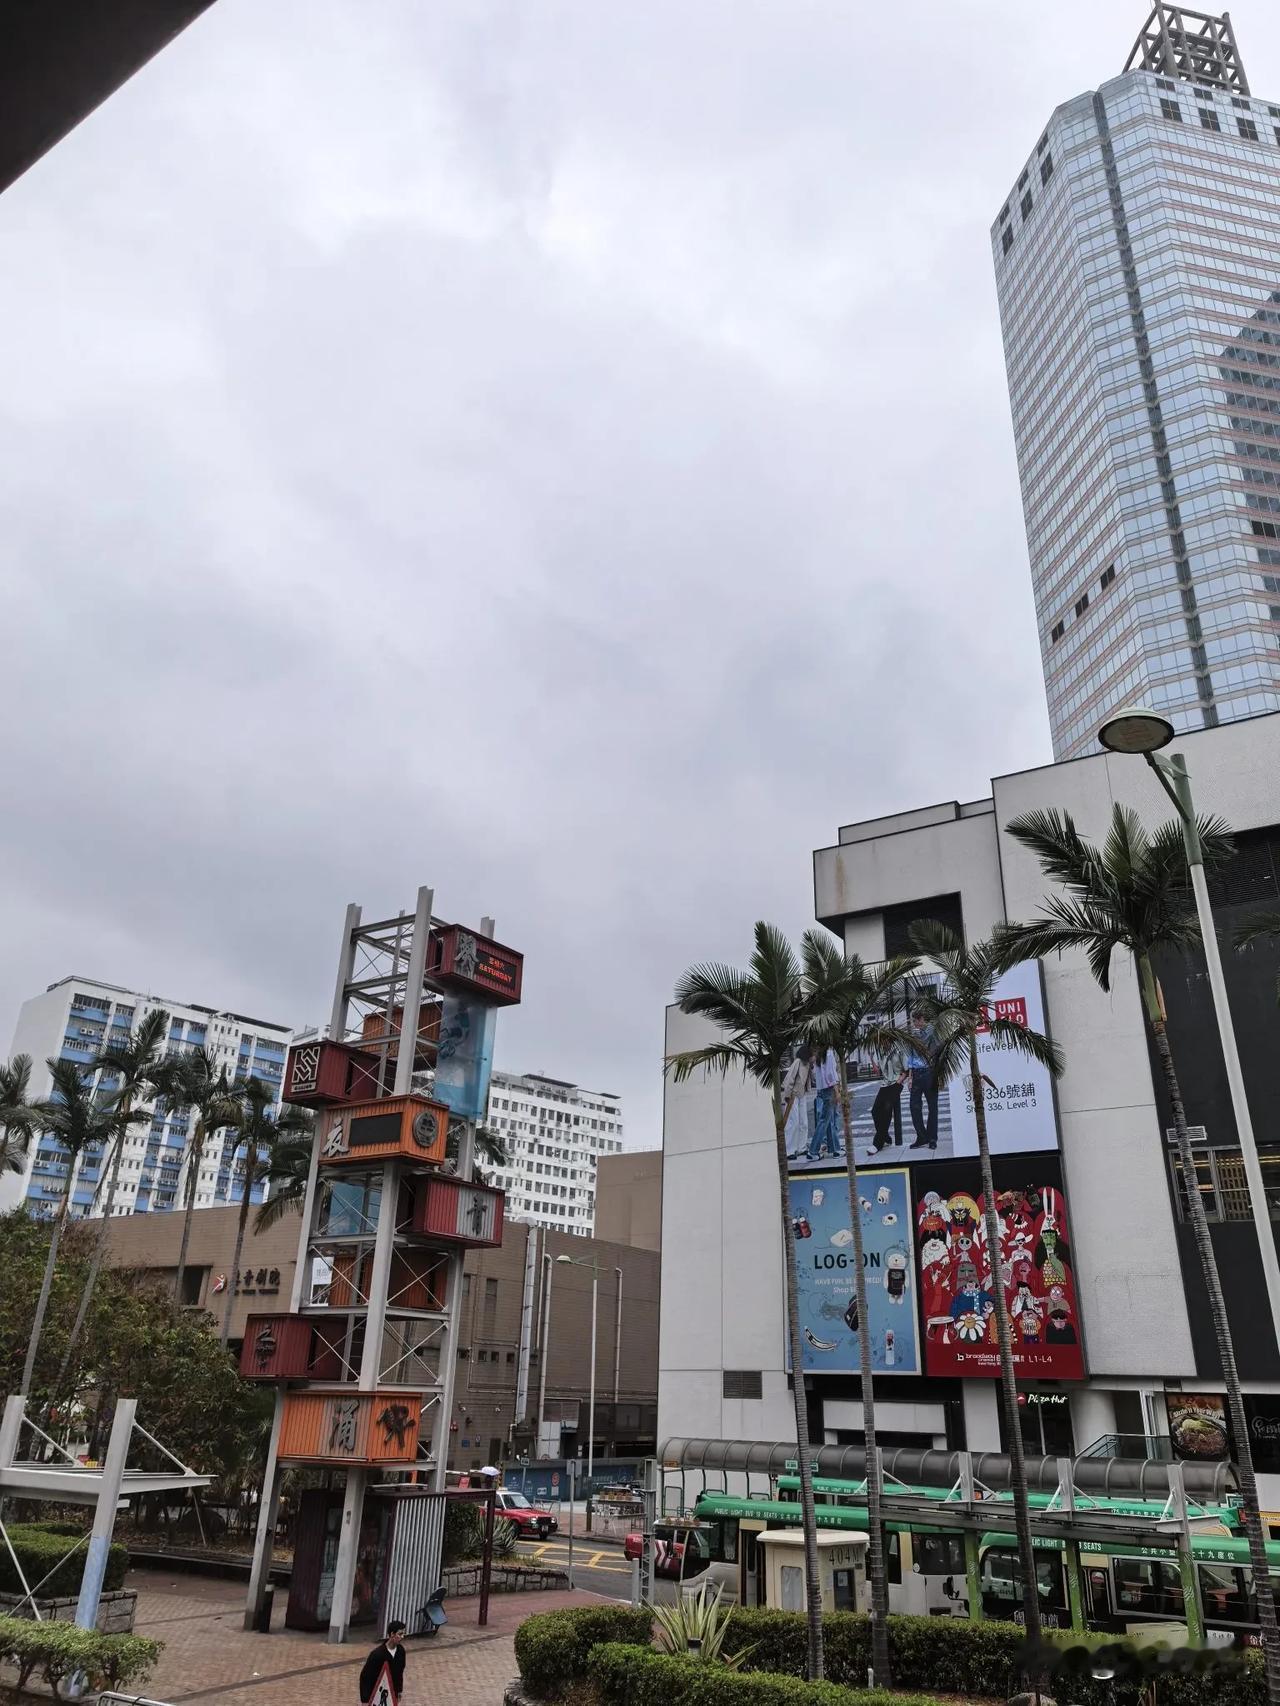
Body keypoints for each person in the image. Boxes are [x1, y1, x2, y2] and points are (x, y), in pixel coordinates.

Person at [905, 1014, 939, 1150]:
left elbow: (938, 1052)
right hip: (916, 1074)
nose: (914, 1024)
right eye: (913, 1021)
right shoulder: (914, 1035)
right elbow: (911, 1057)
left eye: (915, 1021)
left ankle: (932, 1138)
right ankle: (921, 1137)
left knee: (932, 1107)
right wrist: (910, 1077)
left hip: (930, 1072)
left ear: (922, 1019)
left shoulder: (932, 1032)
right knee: (914, 1106)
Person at [806, 1048, 843, 1160]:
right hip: (829, 1089)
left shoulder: (819, 1054)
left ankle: (835, 1149)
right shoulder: (828, 1053)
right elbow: (830, 1074)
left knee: (828, 1120)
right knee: (825, 1121)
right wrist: (837, 1091)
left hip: (822, 1089)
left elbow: (816, 1074)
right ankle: (813, 1151)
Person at [360, 1621, 407, 1706]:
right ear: (392, 1634)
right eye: (400, 1634)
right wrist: (365, 1700)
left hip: (392, 1694)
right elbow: (366, 1677)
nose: (402, 1637)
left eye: (403, 1634)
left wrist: (399, 1690)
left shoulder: (401, 1651)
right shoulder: (377, 1654)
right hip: (376, 1695)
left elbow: (400, 1672)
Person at [782, 1044, 813, 1159]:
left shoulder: (807, 1064)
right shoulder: (798, 1062)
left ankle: (801, 1147)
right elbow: (790, 1079)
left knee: (804, 1122)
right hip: (793, 1095)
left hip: (802, 1095)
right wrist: (787, 1095)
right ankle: (789, 1150)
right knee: (793, 1123)